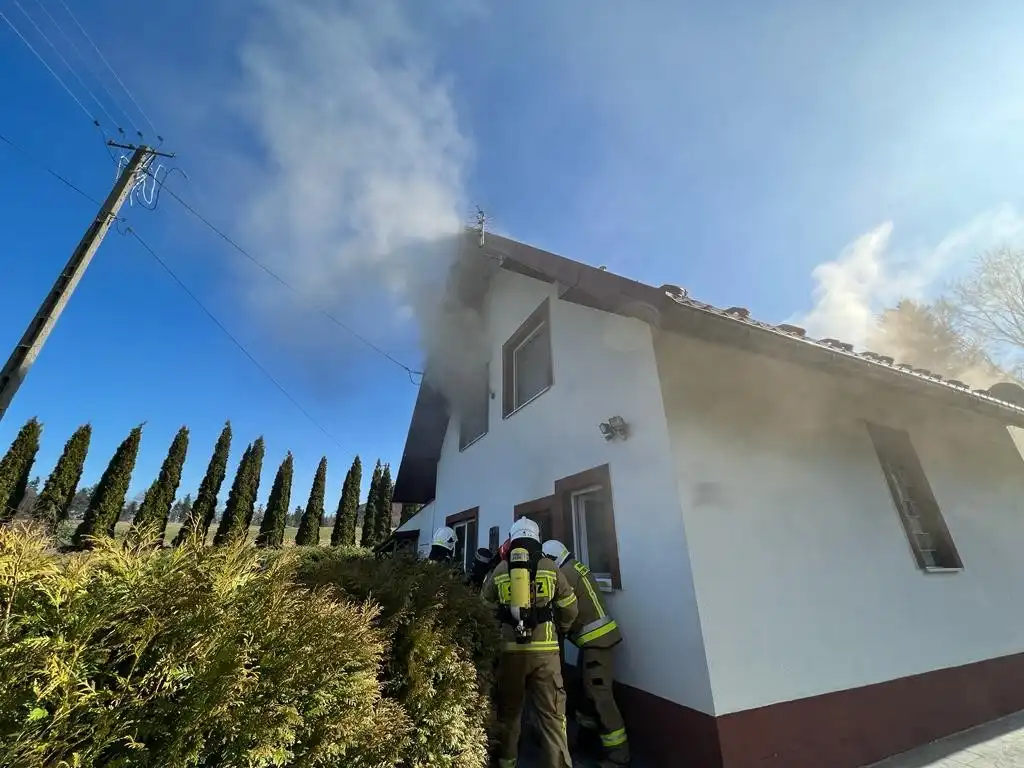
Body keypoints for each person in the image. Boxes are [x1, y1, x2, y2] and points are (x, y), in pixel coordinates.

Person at [481, 517, 578, 768]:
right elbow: (570, 607)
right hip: (546, 654)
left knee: (509, 715)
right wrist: (561, 629)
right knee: (552, 716)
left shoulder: (501, 570)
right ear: (537, 537)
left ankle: (507, 763)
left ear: (513, 538)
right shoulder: (550, 567)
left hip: (510, 653)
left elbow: (483, 609)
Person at [542, 539, 629, 767]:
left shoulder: (564, 575)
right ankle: (587, 742)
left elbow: (561, 609)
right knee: (585, 691)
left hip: (597, 643)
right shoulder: (575, 567)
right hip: (595, 641)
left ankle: (619, 757)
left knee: (600, 695)